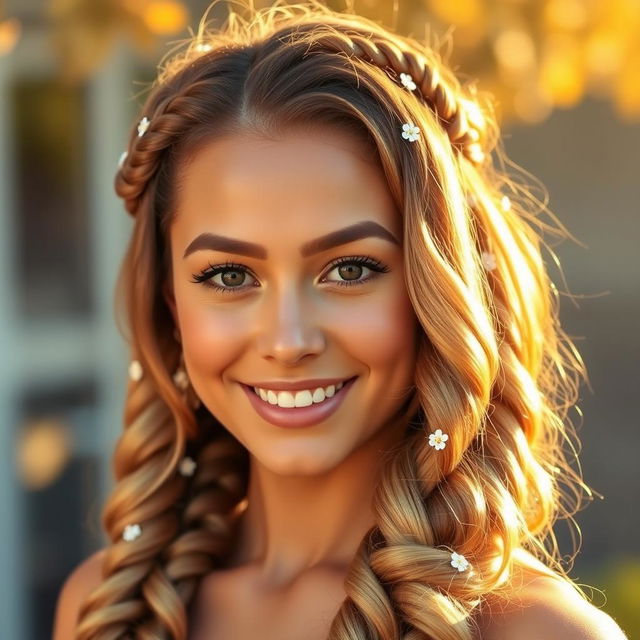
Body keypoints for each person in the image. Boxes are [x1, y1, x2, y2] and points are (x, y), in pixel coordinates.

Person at [52, 1, 629, 639]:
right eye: (229, 276)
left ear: (436, 289)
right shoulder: (103, 607)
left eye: (350, 269)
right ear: (170, 305)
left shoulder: (538, 631)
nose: (288, 340)